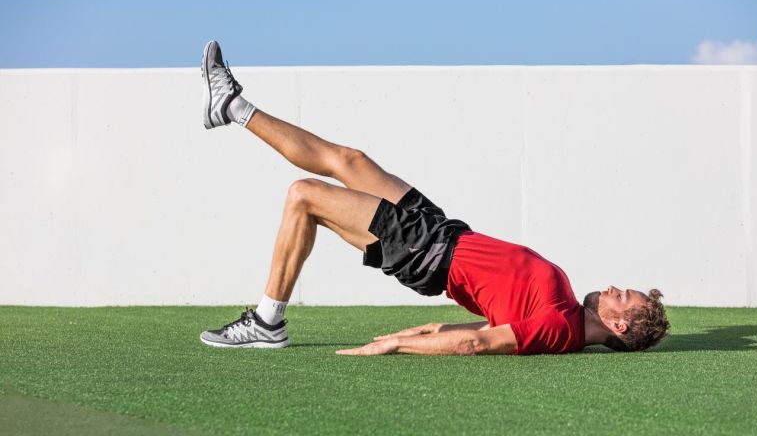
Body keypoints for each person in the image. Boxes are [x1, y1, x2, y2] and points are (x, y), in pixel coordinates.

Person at [198, 41, 670, 356]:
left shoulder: (561, 329)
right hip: (443, 231)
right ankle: (232, 106)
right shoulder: (565, 306)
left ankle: (267, 321)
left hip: (426, 252)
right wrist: (426, 331)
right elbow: (477, 328)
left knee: (303, 196)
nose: (612, 287)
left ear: (621, 326)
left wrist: (397, 346)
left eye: (621, 296)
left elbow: (482, 344)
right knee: (350, 159)